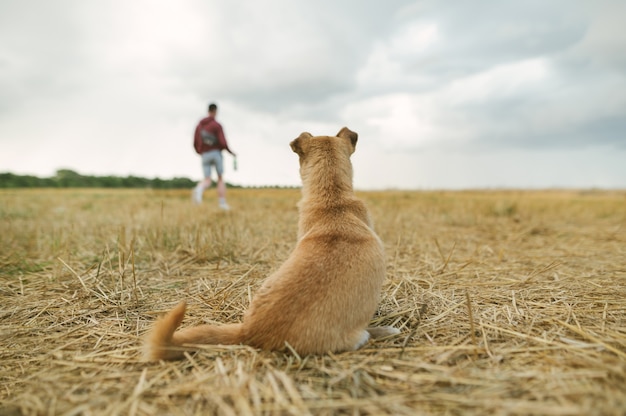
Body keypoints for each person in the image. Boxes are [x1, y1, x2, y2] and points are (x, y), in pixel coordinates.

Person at [192, 103, 236, 209]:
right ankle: (222, 203)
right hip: (216, 153)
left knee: (207, 179)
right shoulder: (217, 125)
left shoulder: (200, 125)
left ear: (208, 111)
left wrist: (200, 151)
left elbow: (195, 141)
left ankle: (199, 189)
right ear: (215, 111)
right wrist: (231, 152)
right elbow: (223, 142)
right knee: (220, 178)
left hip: (204, 155)